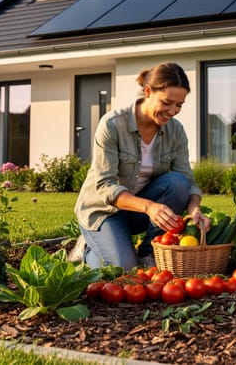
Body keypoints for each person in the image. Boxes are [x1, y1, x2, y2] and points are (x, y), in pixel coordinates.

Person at [71, 62, 210, 270]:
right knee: (122, 269)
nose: (173, 111)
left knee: (178, 183)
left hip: (139, 212)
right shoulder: (112, 125)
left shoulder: (176, 131)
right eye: (167, 102)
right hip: (104, 211)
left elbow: (188, 181)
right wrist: (150, 207)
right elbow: (104, 186)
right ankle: (86, 248)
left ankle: (148, 253)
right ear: (147, 91)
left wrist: (195, 209)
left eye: (179, 105)